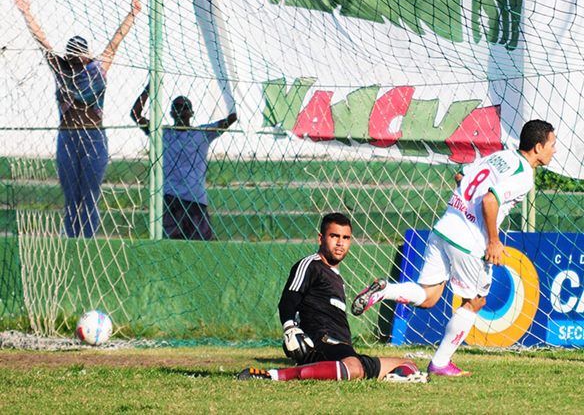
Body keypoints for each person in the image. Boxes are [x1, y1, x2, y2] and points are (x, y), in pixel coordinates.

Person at [351, 120, 557, 377]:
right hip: (469, 241)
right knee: (476, 301)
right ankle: (440, 363)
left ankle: (385, 291)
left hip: (445, 226)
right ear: (538, 147)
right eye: (552, 144)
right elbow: (491, 200)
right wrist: (493, 240)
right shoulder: (524, 174)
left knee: (429, 297)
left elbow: (461, 175)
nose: (554, 150)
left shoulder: (500, 156)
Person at [238, 212, 427, 382]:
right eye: (334, 236)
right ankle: (274, 376)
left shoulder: (337, 277)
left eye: (345, 237)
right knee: (354, 368)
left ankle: (362, 372)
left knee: (407, 365)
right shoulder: (310, 265)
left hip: (342, 348)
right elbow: (289, 298)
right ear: (321, 238)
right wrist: (289, 328)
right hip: (319, 342)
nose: (340, 243)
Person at [14, 0, 142, 238]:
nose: (75, 56)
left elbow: (116, 41)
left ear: (86, 54)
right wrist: (26, 12)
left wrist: (132, 14)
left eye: (79, 52)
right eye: (72, 52)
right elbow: (42, 40)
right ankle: (71, 236)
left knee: (90, 193)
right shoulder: (61, 69)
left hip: (93, 137)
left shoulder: (97, 69)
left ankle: (88, 239)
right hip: (68, 137)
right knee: (72, 194)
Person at [131, 82, 237, 240]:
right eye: (177, 107)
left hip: (195, 199)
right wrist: (149, 88)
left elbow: (231, 119)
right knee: (171, 243)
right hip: (170, 198)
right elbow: (135, 114)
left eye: (184, 107)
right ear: (171, 112)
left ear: (191, 112)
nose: (181, 110)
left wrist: (231, 95)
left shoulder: (202, 133)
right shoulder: (163, 133)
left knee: (203, 243)